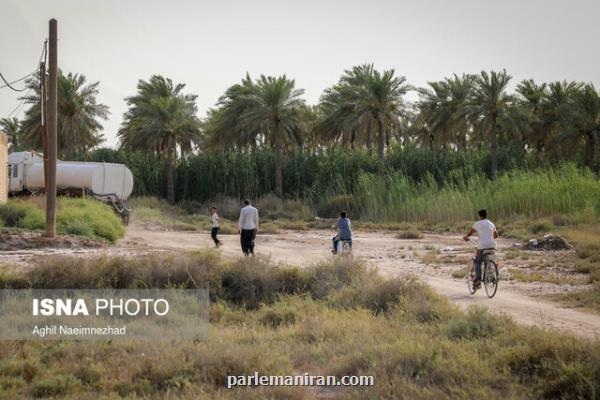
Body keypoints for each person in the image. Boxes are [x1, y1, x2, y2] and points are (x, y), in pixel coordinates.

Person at [463, 209, 499, 288]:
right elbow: (496, 236)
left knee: (478, 262)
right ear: (486, 215)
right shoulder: (491, 223)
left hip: (482, 245)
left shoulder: (477, 223)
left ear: (479, 216)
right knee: (488, 260)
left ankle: (478, 280)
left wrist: (466, 237)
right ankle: (490, 275)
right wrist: (489, 236)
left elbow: (470, 233)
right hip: (492, 245)